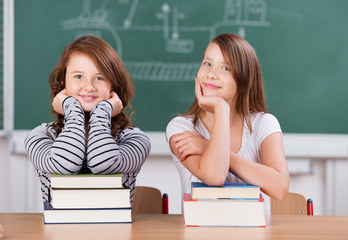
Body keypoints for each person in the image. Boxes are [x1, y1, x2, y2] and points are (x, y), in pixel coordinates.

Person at [166, 33, 289, 214]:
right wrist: (221, 110)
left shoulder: (264, 124)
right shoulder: (180, 128)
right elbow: (214, 176)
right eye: (207, 64)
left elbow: (279, 188)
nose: (211, 74)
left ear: (244, 81)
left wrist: (207, 146)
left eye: (225, 68)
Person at [25, 35, 151, 203]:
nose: (89, 87)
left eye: (99, 78)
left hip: (115, 229)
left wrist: (102, 112)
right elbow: (65, 164)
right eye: (78, 76)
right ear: (63, 82)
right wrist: (73, 111)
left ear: (112, 85)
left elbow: (103, 163)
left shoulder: (134, 139)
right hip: (58, 229)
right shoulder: (41, 136)